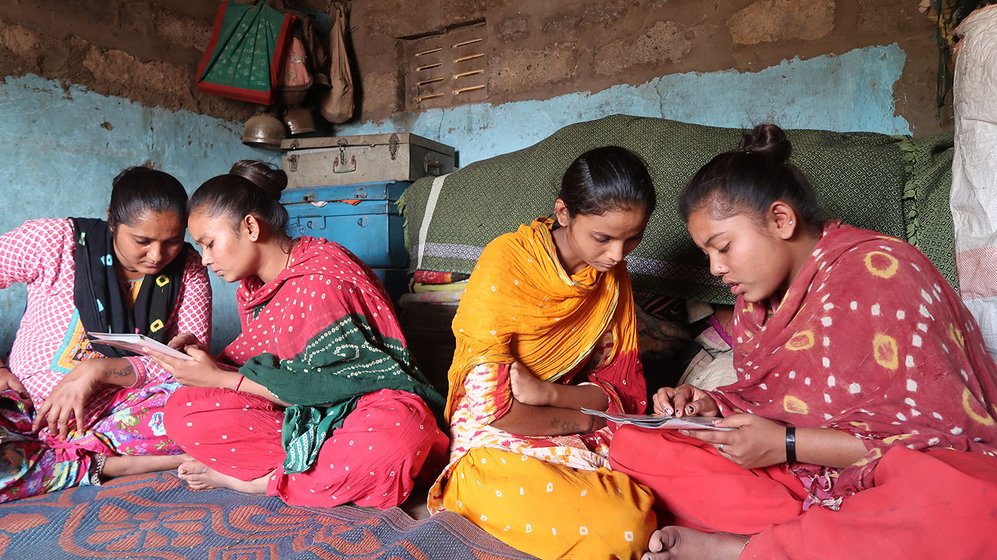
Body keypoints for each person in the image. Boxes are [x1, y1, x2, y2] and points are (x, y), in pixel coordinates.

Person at [608, 124, 997, 560]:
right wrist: (708, 407)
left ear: (780, 220)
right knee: (633, 443)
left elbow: (938, 440)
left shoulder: (883, 272)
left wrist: (786, 443)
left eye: (723, 247)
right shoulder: (755, 308)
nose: (716, 268)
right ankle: (813, 539)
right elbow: (770, 402)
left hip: (883, 478)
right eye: (707, 255)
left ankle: (748, 548)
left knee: (975, 502)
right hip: (798, 480)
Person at [156, 160, 448, 509]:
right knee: (182, 410)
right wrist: (207, 362)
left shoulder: (323, 276)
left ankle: (262, 482)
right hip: (301, 417)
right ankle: (316, 475)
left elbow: (349, 384)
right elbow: (268, 369)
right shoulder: (253, 290)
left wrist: (221, 377)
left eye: (209, 243)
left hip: (365, 409)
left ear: (249, 227)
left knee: (400, 434)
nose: (205, 259)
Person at [427, 146, 659, 559]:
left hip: (565, 414)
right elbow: (495, 411)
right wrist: (584, 416)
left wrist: (553, 396)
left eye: (632, 238)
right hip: (495, 435)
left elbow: (619, 392)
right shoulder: (506, 263)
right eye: (603, 238)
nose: (618, 255)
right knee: (626, 527)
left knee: (660, 468)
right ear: (564, 213)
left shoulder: (611, 278)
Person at [0, 166, 212, 502]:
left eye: (172, 241)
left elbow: (187, 362)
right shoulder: (54, 241)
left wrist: (96, 370)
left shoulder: (188, 268)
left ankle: (69, 458)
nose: (157, 256)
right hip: (22, 408)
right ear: (112, 220)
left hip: (116, 415)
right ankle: (107, 465)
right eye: (142, 241)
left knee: (206, 408)